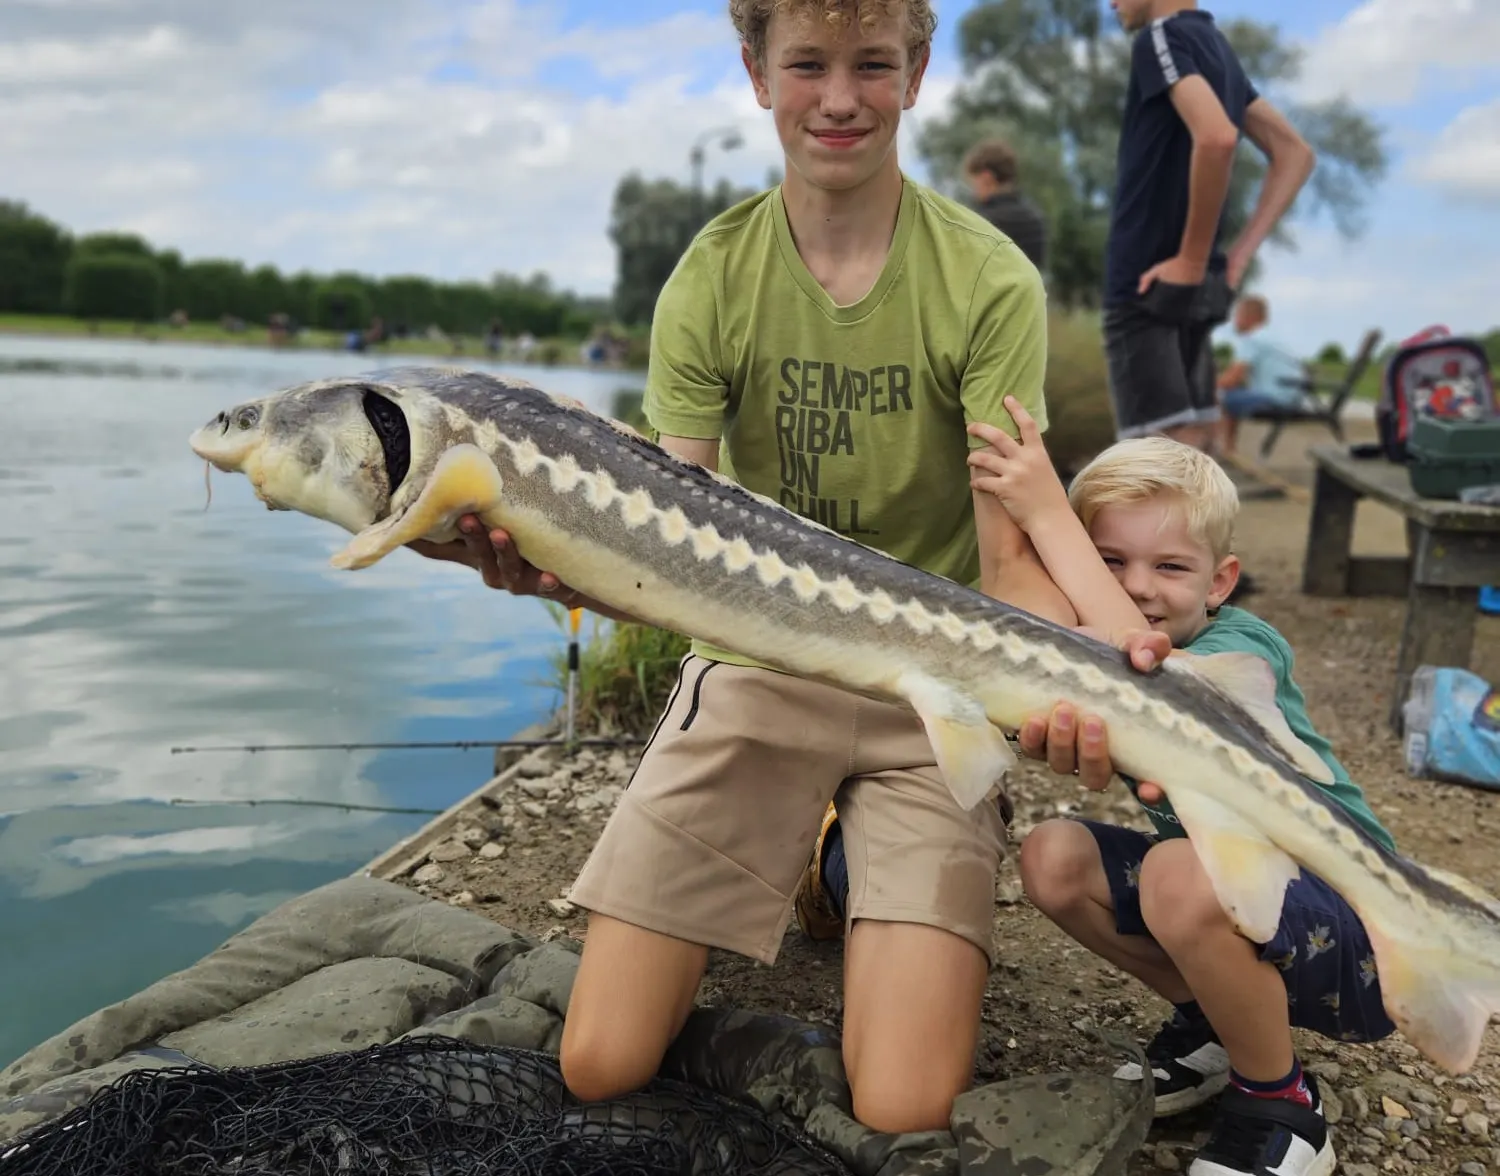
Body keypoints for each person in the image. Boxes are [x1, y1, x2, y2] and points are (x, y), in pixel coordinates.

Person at [407, 0, 1077, 1135]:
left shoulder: (991, 283)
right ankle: (818, 842)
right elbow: (660, 531)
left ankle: (842, 852)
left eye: (872, 64)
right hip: (756, 665)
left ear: (915, 74)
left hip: (929, 690)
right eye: (807, 63)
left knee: (904, 1104)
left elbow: (1011, 557)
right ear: (757, 73)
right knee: (601, 1061)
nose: (839, 97)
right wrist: (553, 571)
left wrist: (1064, 693)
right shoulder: (712, 277)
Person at [798, 414, 1397, 1176]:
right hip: (1243, 906)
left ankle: (1283, 1103)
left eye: (1170, 568)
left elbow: (1149, 677)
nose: (1138, 589)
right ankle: (1221, 1024)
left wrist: (1047, 511)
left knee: (1175, 874)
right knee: (1055, 858)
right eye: (1109, 562)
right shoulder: (1094, 671)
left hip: (1358, 927)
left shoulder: (1238, 653)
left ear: (1220, 582)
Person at [1100, 0, 1316, 452]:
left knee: (1158, 457)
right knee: (1193, 449)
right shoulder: (1216, 47)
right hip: (1196, 286)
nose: (1111, 3)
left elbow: (1216, 136)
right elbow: (1294, 152)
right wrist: (1237, 255)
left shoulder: (1160, 38)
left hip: (1149, 284)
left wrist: (1191, 259)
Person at [1214, 293, 1307, 454]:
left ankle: (1213, 449)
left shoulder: (1253, 339)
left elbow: (1231, 379)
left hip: (1275, 399)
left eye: (1237, 314)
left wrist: (1198, 386)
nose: (1234, 320)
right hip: (1292, 397)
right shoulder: (1270, 336)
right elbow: (1237, 378)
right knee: (1229, 394)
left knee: (1214, 396)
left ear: (1249, 316)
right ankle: (1228, 449)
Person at [961, 136, 1048, 274]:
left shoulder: (981, 221)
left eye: (973, 183)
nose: (973, 191)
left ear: (986, 177)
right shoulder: (1035, 218)